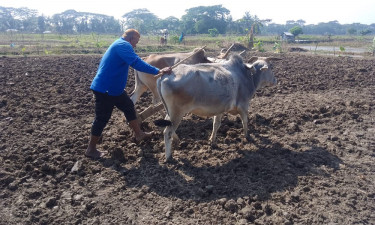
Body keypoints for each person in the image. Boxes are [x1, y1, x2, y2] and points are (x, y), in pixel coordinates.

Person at [85, 29, 172, 159]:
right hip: (106, 89)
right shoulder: (123, 45)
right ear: (131, 39)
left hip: (115, 90)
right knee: (101, 119)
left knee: (129, 108)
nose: (136, 45)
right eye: (136, 42)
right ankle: (90, 149)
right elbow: (136, 62)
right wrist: (158, 71)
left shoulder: (119, 44)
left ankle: (139, 134)